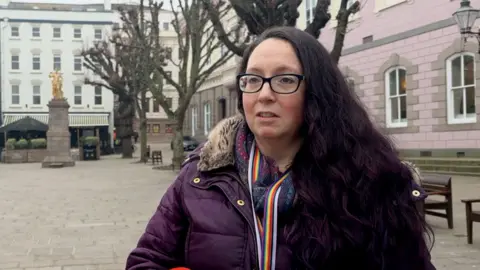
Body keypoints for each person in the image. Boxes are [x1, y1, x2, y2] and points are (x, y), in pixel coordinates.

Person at [125, 26, 435, 270]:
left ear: (316, 92)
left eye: (285, 80)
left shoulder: (372, 179)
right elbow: (146, 260)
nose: (264, 94)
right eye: (253, 79)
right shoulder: (200, 177)